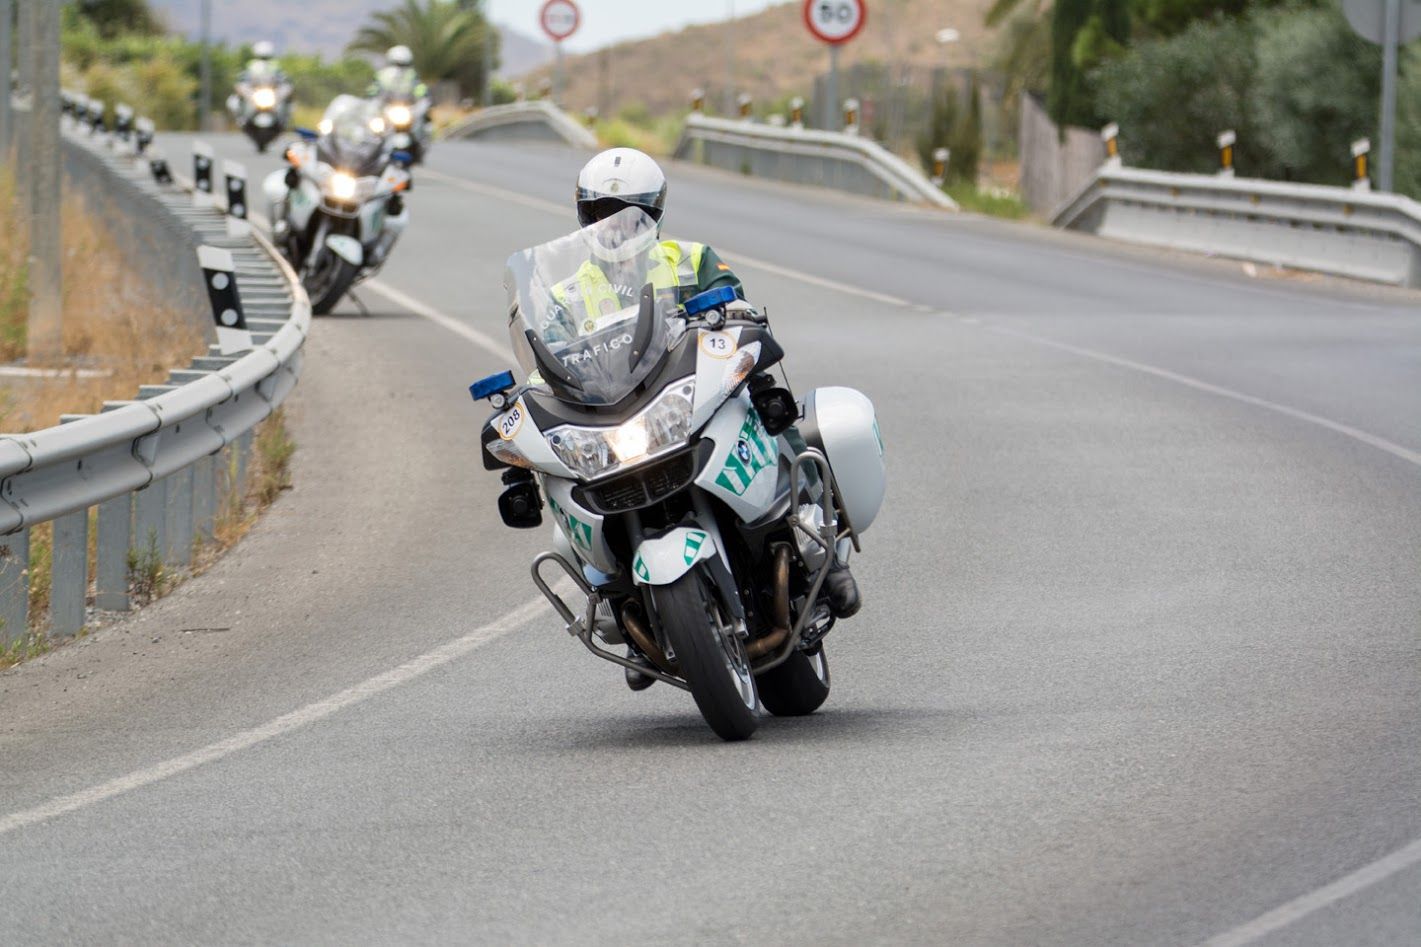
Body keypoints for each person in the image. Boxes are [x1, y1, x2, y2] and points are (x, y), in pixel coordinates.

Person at [568, 148, 861, 687]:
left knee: (772, 417)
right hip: (622, 417)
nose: (613, 226)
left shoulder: (691, 258)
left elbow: (738, 308)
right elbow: (547, 360)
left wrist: (734, 317)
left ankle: (822, 554)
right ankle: (624, 605)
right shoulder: (566, 293)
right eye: (602, 212)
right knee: (567, 488)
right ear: (583, 216)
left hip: (692, 396)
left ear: (653, 214)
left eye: (627, 212)